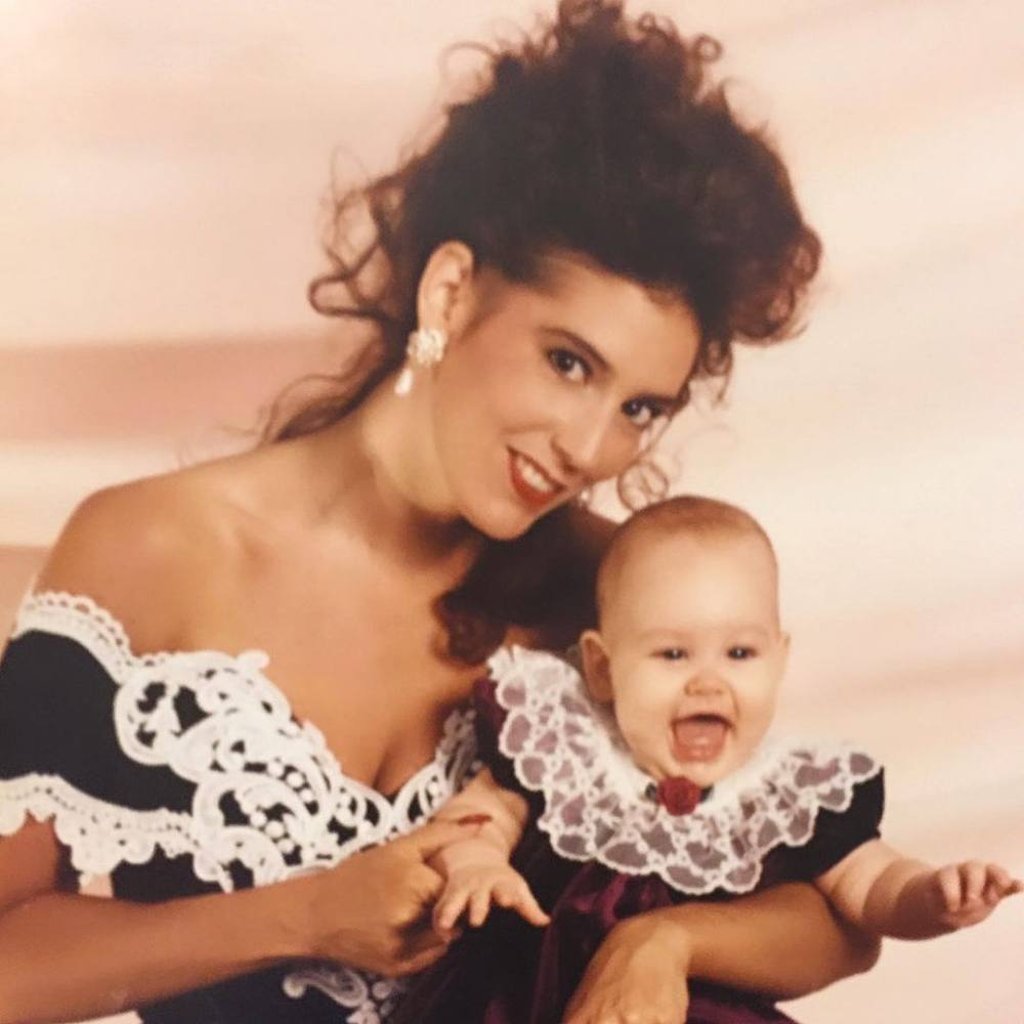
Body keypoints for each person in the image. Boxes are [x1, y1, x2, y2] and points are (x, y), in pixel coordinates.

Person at [0, 2, 880, 1022]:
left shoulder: (600, 599)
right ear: (452, 291)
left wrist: (662, 940)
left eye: (639, 407)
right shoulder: (150, 552)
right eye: (567, 362)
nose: (592, 449)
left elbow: (837, 902)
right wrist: (309, 913)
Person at [405, 495, 1022, 1022]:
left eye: (740, 654)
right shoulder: (567, 750)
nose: (708, 682)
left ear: (780, 660)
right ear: (601, 668)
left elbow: (872, 889)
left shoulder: (788, 794)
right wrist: (477, 863)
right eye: (673, 655)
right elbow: (479, 813)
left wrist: (936, 897)